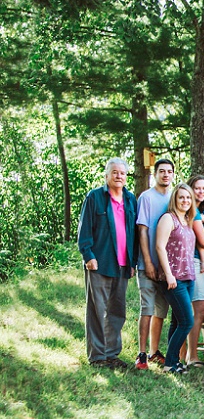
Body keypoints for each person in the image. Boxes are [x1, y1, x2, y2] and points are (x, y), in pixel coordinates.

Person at [77, 158, 138, 369]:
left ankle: (112, 354)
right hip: (100, 263)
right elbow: (84, 230)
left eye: (122, 173)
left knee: (117, 311)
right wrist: (88, 255)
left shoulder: (130, 200)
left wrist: (133, 262)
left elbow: (135, 235)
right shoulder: (95, 197)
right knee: (97, 310)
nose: (119, 176)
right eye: (115, 172)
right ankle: (97, 356)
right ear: (107, 175)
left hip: (122, 265)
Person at [135, 158, 175, 370]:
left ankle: (154, 351)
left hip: (167, 267)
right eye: (161, 171)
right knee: (147, 309)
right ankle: (141, 354)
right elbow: (142, 230)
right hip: (148, 264)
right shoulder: (146, 198)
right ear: (155, 174)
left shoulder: (173, 198)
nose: (165, 174)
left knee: (162, 311)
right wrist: (148, 262)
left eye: (169, 171)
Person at [154, 183, 197, 374]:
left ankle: (174, 362)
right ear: (175, 199)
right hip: (173, 278)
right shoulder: (168, 219)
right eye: (181, 197)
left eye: (188, 198)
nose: (185, 201)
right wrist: (169, 274)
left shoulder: (188, 220)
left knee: (177, 321)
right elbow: (159, 247)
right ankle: (170, 363)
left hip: (188, 276)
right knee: (187, 321)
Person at [184, 174, 204, 367]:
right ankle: (192, 355)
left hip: (198, 261)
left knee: (192, 308)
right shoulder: (192, 211)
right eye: (197, 188)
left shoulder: (202, 211)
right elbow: (202, 241)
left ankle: (184, 353)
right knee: (198, 308)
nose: (201, 191)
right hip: (194, 262)